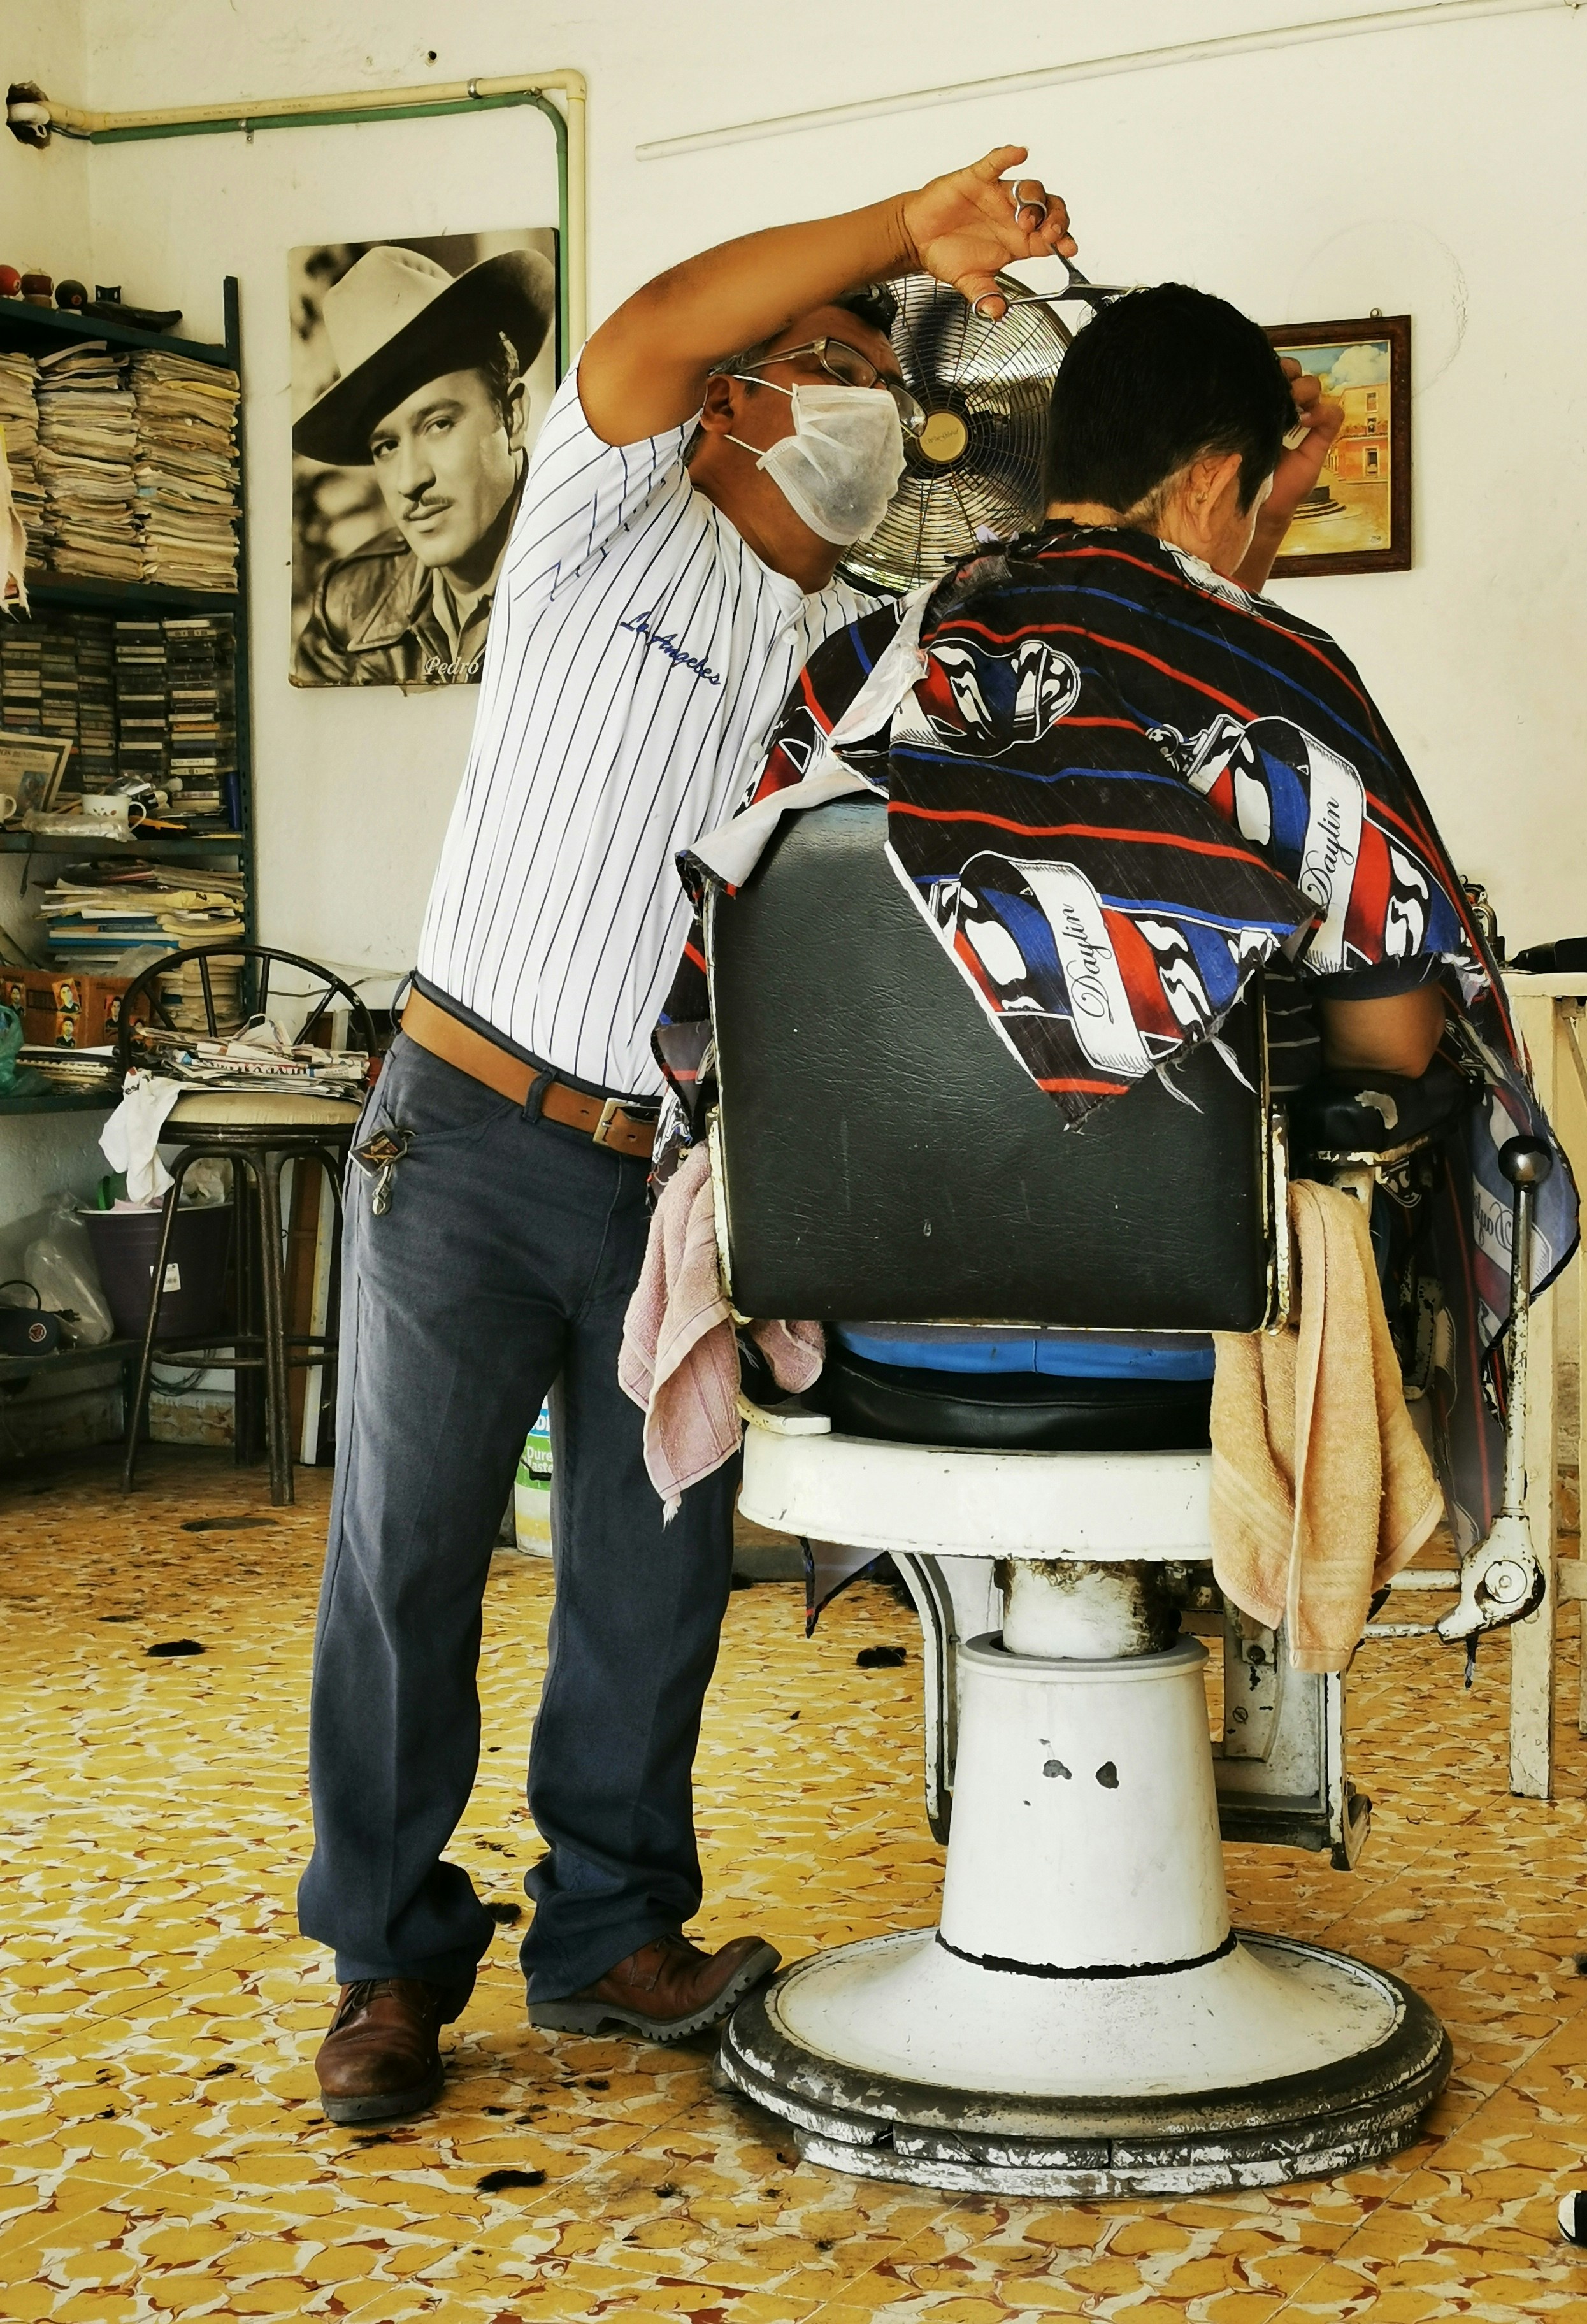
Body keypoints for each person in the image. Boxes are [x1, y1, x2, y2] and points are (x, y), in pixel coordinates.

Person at [296, 146, 1112, 2128]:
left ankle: (606, 1930)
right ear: (744, 389)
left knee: (650, 1573)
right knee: (405, 1563)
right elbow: (648, 325)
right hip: (467, 1132)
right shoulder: (597, 520)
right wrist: (904, 235)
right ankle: (388, 1960)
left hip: (671, 1180)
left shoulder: (863, 649)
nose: (858, 400)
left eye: (877, 374)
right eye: (826, 355)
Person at [655, 282, 1574, 1553]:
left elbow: (743, 1009)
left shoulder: (861, 673)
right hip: (1198, 1340)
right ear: (1211, 481)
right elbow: (1399, 1045)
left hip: (872, 1323)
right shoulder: (1277, 678)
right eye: (1260, 498)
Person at [291, 243, 555, 687]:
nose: (411, 481)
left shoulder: (601, 575)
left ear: (512, 417)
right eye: (386, 447)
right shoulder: (345, 610)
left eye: (438, 424)